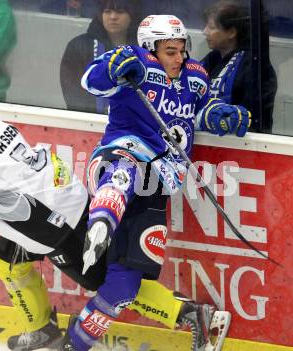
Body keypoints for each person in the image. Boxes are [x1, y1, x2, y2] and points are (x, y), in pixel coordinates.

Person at [0, 83, 230, 351]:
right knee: (6, 261)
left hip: (51, 227)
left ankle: (191, 314)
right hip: (63, 198)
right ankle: (42, 328)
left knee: (110, 285)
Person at [59, 14, 251, 351]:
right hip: (122, 153)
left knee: (124, 288)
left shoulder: (195, 75)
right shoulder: (134, 62)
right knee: (125, 170)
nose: (179, 58)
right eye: (170, 51)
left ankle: (74, 345)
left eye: (182, 50)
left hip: (160, 183)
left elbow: (200, 109)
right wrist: (113, 69)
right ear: (151, 48)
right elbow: (91, 81)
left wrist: (220, 115)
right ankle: (102, 219)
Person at [201, 0, 277, 133]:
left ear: (231, 32)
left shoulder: (254, 66)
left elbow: (251, 119)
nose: (205, 31)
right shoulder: (213, 59)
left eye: (212, 27)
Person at [60, 0, 142, 113]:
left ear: (131, 15)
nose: (113, 17)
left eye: (120, 12)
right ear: (100, 15)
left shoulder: (143, 49)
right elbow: (72, 92)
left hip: (130, 124)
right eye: (107, 11)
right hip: (88, 122)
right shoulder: (78, 45)